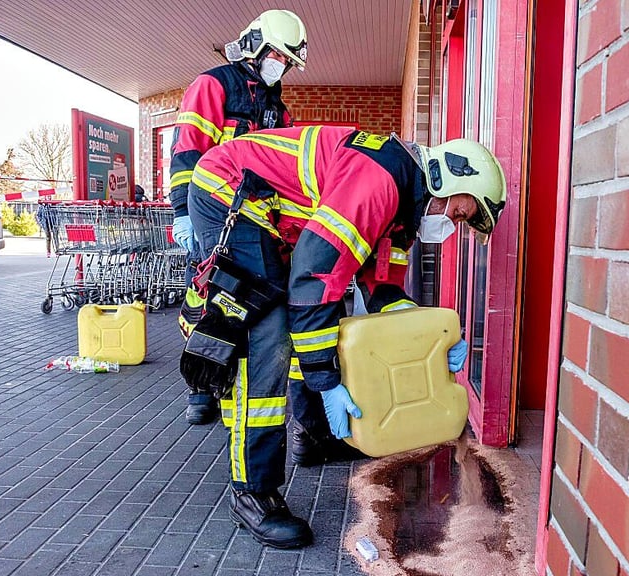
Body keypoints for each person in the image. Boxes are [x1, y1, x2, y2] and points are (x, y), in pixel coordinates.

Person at [180, 126, 506, 548]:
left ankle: (314, 436)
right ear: (446, 178)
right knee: (269, 336)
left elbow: (383, 291)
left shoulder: (401, 213)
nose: (453, 226)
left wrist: (428, 341)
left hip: (267, 210)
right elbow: (314, 280)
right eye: (460, 214)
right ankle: (252, 492)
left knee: (317, 321)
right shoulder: (378, 183)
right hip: (227, 191)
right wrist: (327, 382)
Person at [169, 9, 306, 427]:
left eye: (286, 62)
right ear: (254, 46)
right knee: (212, 292)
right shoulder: (213, 86)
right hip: (210, 209)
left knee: (248, 298)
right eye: (277, 56)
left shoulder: (276, 108)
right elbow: (188, 150)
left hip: (254, 218)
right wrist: (183, 213)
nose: (279, 67)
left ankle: (227, 375)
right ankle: (200, 384)